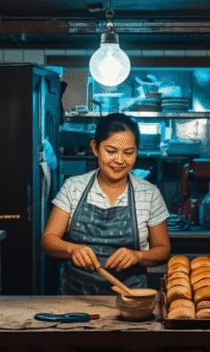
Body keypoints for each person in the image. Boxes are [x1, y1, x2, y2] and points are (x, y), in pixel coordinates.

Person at [41, 113, 171, 294]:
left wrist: (138, 255)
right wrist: (72, 249)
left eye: (128, 152)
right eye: (111, 151)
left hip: (130, 298)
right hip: (76, 298)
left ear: (136, 151)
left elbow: (163, 250)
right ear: (95, 148)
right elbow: (48, 240)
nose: (119, 160)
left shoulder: (149, 193)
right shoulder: (73, 187)